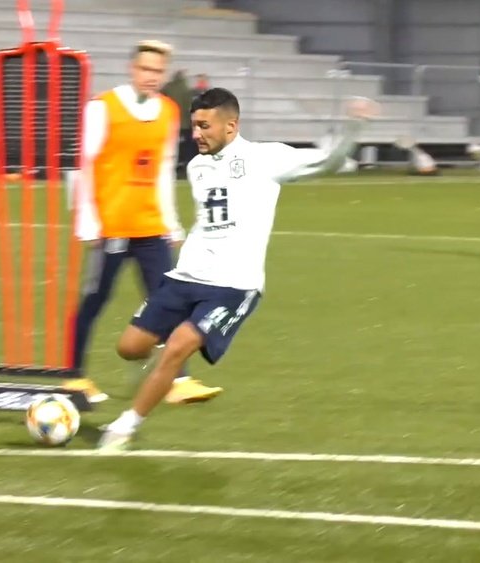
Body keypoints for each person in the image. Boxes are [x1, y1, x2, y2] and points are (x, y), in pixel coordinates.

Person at [97, 88, 377, 451]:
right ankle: (153, 378)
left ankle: (125, 427)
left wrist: (354, 128)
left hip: (233, 286)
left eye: (203, 126)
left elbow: (327, 161)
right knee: (130, 347)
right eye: (193, 126)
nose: (196, 134)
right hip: (187, 277)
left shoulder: (266, 158)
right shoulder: (197, 166)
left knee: (179, 346)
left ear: (231, 125)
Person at [71, 40, 222, 405]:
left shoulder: (169, 112)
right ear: (132, 69)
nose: (151, 77)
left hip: (150, 226)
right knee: (95, 300)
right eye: (146, 70)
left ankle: (178, 380)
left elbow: (163, 171)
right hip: (111, 226)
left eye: (158, 72)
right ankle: (72, 376)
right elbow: (82, 165)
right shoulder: (102, 108)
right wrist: (87, 221)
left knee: (169, 301)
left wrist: (171, 223)